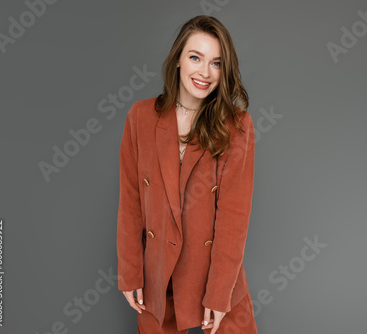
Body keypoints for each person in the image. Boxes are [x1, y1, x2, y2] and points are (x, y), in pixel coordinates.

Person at [116, 15, 258, 333]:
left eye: (217, 63)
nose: (204, 73)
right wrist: (129, 272)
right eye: (195, 57)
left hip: (213, 277)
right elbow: (130, 201)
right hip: (156, 277)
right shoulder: (140, 117)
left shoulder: (235, 126)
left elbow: (234, 218)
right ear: (178, 59)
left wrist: (219, 294)